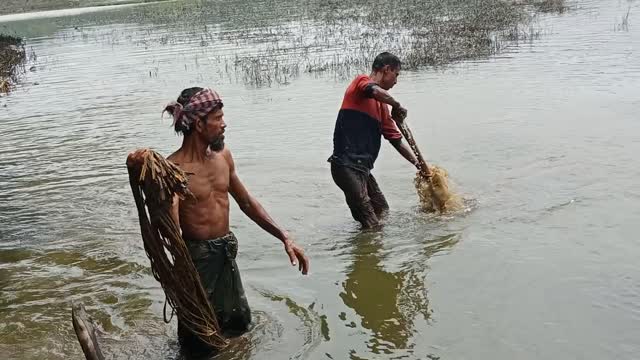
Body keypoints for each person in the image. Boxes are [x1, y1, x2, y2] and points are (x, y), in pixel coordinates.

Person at [127, 87, 309, 351]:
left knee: (239, 325)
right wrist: (160, 191)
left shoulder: (224, 156)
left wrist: (285, 236)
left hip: (225, 251)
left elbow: (246, 202)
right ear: (199, 124)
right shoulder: (174, 170)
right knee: (197, 337)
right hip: (196, 259)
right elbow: (171, 229)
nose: (224, 124)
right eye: (218, 118)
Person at [328, 52, 431, 229]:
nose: (396, 81)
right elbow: (374, 90)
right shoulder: (360, 83)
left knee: (382, 210)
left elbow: (396, 140)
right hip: (346, 167)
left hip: (363, 169)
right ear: (386, 69)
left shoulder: (382, 107)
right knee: (372, 224)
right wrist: (396, 105)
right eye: (396, 75)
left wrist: (419, 165)